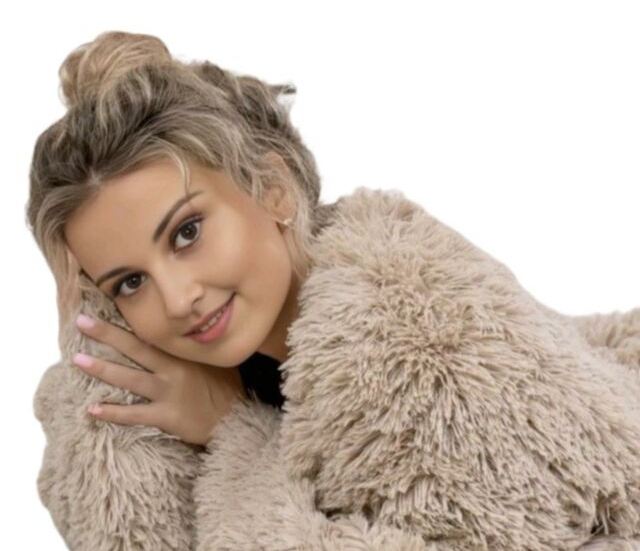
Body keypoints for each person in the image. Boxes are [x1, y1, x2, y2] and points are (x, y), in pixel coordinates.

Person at [28, 31, 640, 551]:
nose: (176, 298)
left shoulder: (415, 328)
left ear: (271, 189)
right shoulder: (208, 371)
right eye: (129, 283)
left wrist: (233, 433)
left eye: (187, 233)